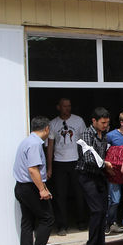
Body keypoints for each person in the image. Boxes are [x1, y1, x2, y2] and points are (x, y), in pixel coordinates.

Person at [76, 107, 120, 245]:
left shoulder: (105, 135)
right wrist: (105, 165)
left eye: (107, 123)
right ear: (93, 121)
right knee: (97, 210)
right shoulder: (86, 134)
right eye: (102, 123)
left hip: (100, 177)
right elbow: (88, 158)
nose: (105, 125)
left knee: (103, 211)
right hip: (87, 176)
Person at [13, 116, 55, 245]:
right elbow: (33, 169)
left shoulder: (26, 141)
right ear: (46, 129)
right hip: (30, 188)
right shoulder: (35, 144)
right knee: (47, 218)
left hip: (21, 187)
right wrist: (42, 190)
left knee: (27, 221)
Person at [46, 98, 86, 236]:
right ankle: (62, 225)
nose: (67, 108)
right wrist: (49, 167)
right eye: (64, 106)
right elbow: (50, 146)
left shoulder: (78, 121)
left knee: (79, 193)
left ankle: (81, 221)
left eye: (69, 106)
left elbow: (84, 142)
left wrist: (84, 161)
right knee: (60, 195)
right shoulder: (53, 123)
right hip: (59, 162)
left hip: (75, 161)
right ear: (58, 107)